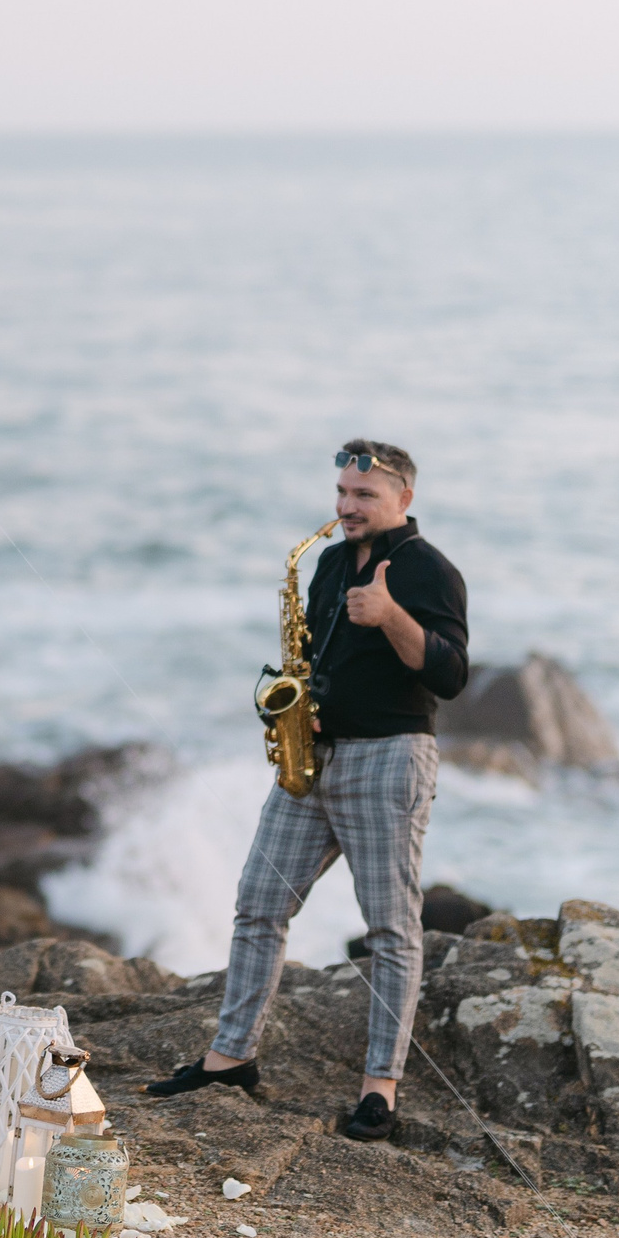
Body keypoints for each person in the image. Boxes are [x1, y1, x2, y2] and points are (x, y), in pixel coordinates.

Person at [145, 440, 469, 1142]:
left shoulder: (431, 571)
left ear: (404, 498)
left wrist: (390, 615)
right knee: (259, 904)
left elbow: (450, 675)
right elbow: (313, 655)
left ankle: (380, 1088)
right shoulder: (327, 563)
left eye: (365, 495)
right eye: (343, 492)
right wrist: (302, 705)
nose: (347, 506)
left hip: (389, 759)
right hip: (314, 758)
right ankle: (231, 1058)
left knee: (390, 929)